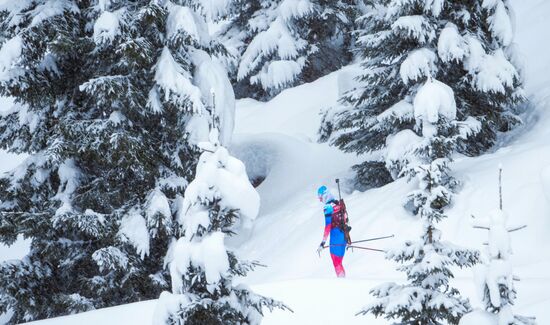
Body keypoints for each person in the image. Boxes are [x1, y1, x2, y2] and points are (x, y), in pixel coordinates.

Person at [316, 185, 346, 277]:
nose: (320, 200)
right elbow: (345, 219)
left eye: (320, 197)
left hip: (336, 237)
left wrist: (323, 242)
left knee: (336, 262)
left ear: (324, 196)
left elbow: (328, 226)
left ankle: (343, 283)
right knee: (339, 262)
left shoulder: (328, 208)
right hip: (344, 235)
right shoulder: (338, 204)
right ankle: (345, 281)